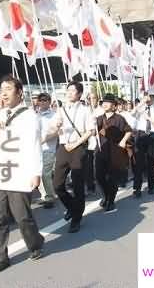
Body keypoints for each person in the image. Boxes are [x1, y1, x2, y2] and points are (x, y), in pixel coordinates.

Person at [0, 75, 44, 273]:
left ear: (19, 93)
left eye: (8, 88)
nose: (4, 92)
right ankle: (0, 257)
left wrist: (36, 172)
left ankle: (35, 243)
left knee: (22, 216)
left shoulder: (30, 116)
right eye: (1, 88)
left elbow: (34, 145)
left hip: (21, 172)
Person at [49, 81, 95, 233]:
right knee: (57, 185)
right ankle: (71, 207)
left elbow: (90, 131)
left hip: (78, 148)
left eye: (72, 90)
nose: (69, 93)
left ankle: (77, 218)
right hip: (63, 148)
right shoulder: (60, 110)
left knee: (77, 185)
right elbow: (54, 127)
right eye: (67, 90)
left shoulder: (86, 110)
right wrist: (57, 125)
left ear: (80, 94)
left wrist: (75, 144)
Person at [95, 93, 132, 212]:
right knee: (99, 176)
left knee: (112, 178)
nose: (105, 104)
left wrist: (123, 141)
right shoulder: (99, 119)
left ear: (114, 105)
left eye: (108, 102)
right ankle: (106, 195)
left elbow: (128, 131)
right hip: (101, 151)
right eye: (103, 102)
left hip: (115, 152)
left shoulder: (119, 119)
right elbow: (91, 130)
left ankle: (111, 200)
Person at [132, 92, 154, 197]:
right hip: (140, 135)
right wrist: (141, 102)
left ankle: (151, 186)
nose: (149, 99)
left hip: (152, 135)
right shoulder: (140, 108)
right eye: (147, 97)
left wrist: (149, 118)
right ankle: (137, 188)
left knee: (151, 161)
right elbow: (132, 113)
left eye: (151, 97)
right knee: (138, 163)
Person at [37, 92, 57, 208]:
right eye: (41, 100)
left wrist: (43, 140)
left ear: (49, 102)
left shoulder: (54, 115)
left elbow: (55, 132)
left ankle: (50, 197)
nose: (43, 102)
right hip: (37, 150)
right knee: (38, 174)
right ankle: (44, 195)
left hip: (49, 148)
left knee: (45, 173)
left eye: (45, 100)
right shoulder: (35, 115)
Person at [84, 91, 104, 196]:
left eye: (94, 98)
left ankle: (102, 184)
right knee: (88, 166)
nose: (92, 100)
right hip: (87, 143)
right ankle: (90, 187)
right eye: (90, 98)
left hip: (98, 142)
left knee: (98, 166)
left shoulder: (101, 111)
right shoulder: (84, 111)